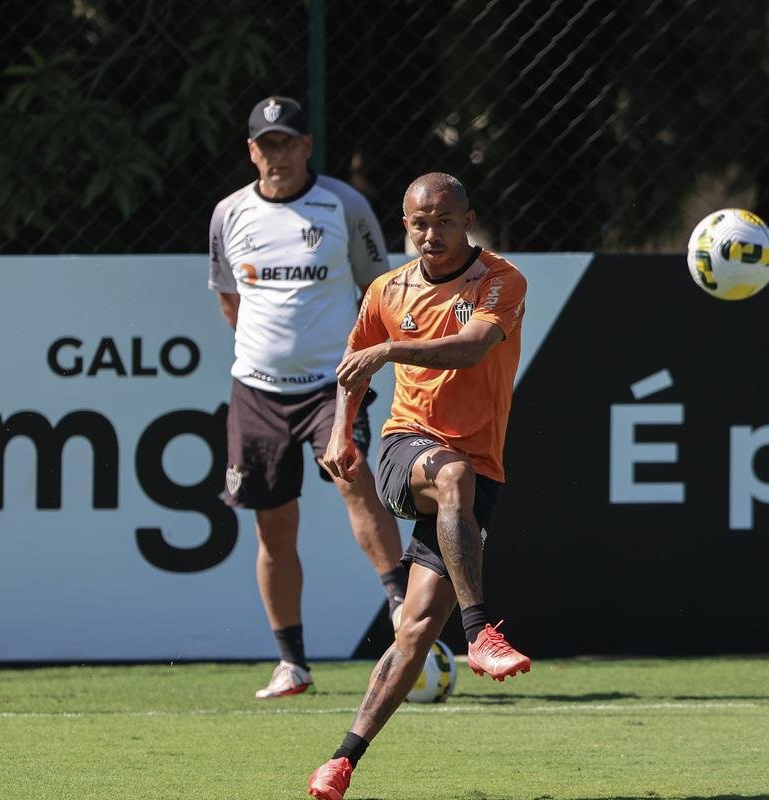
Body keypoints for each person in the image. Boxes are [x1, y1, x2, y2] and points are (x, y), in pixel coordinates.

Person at [307, 172, 531, 799]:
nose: (431, 234)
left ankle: (342, 760)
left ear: (468, 220)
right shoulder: (386, 289)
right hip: (406, 448)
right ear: (405, 225)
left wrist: (391, 351)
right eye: (418, 223)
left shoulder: (501, 281)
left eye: (443, 221)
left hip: (479, 465)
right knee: (451, 473)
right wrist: (339, 437)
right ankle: (482, 631)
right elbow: (353, 369)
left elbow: (470, 348)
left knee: (414, 628)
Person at [208, 96, 408, 699]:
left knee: (353, 479)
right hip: (257, 389)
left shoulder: (344, 206)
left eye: (286, 143)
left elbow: (378, 289)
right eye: (265, 145)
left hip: (333, 384)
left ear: (306, 146)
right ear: (251, 151)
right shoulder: (229, 214)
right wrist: (268, 354)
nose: (276, 156)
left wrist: (360, 365)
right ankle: (291, 662)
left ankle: (401, 606)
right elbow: (229, 300)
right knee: (274, 526)